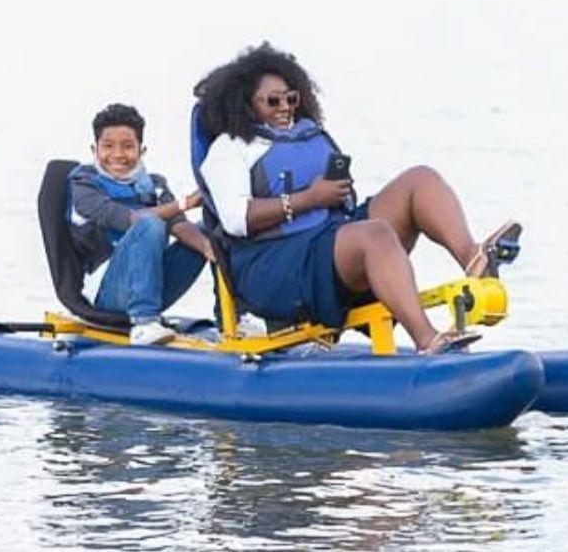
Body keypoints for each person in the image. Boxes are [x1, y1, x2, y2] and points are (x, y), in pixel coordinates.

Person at [194, 44, 516, 354]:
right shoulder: (230, 149)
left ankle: (474, 259)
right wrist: (310, 198)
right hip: (278, 268)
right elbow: (236, 220)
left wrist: (335, 192)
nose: (285, 108)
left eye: (290, 99)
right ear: (247, 105)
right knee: (374, 235)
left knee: (420, 180)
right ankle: (428, 340)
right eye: (272, 101)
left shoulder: (305, 132)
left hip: (330, 239)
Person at [68, 103, 214, 346]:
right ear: (95, 149)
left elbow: (178, 224)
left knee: (209, 231)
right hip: (106, 291)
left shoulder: (154, 184)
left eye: (127, 146)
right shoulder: (83, 183)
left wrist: (208, 247)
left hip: (151, 283)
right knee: (150, 224)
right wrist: (185, 202)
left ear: (141, 150)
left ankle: (234, 318)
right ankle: (144, 322)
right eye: (108, 146)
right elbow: (129, 219)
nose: (117, 154)